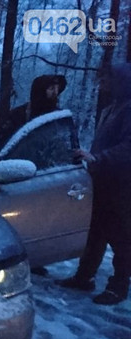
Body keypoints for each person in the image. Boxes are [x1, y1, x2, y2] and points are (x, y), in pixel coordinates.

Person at [57, 63, 131, 305]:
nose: (104, 84)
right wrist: (90, 157)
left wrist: (98, 158)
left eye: (109, 79)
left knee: (120, 237)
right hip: (102, 180)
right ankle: (84, 277)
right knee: (96, 231)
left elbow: (128, 148)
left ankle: (118, 287)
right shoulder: (112, 109)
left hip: (122, 186)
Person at [0, 74, 67, 150]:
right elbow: (3, 146)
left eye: (57, 89)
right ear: (40, 91)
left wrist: (74, 155)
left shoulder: (58, 118)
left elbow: (61, 145)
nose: (55, 92)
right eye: (51, 88)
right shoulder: (18, 115)